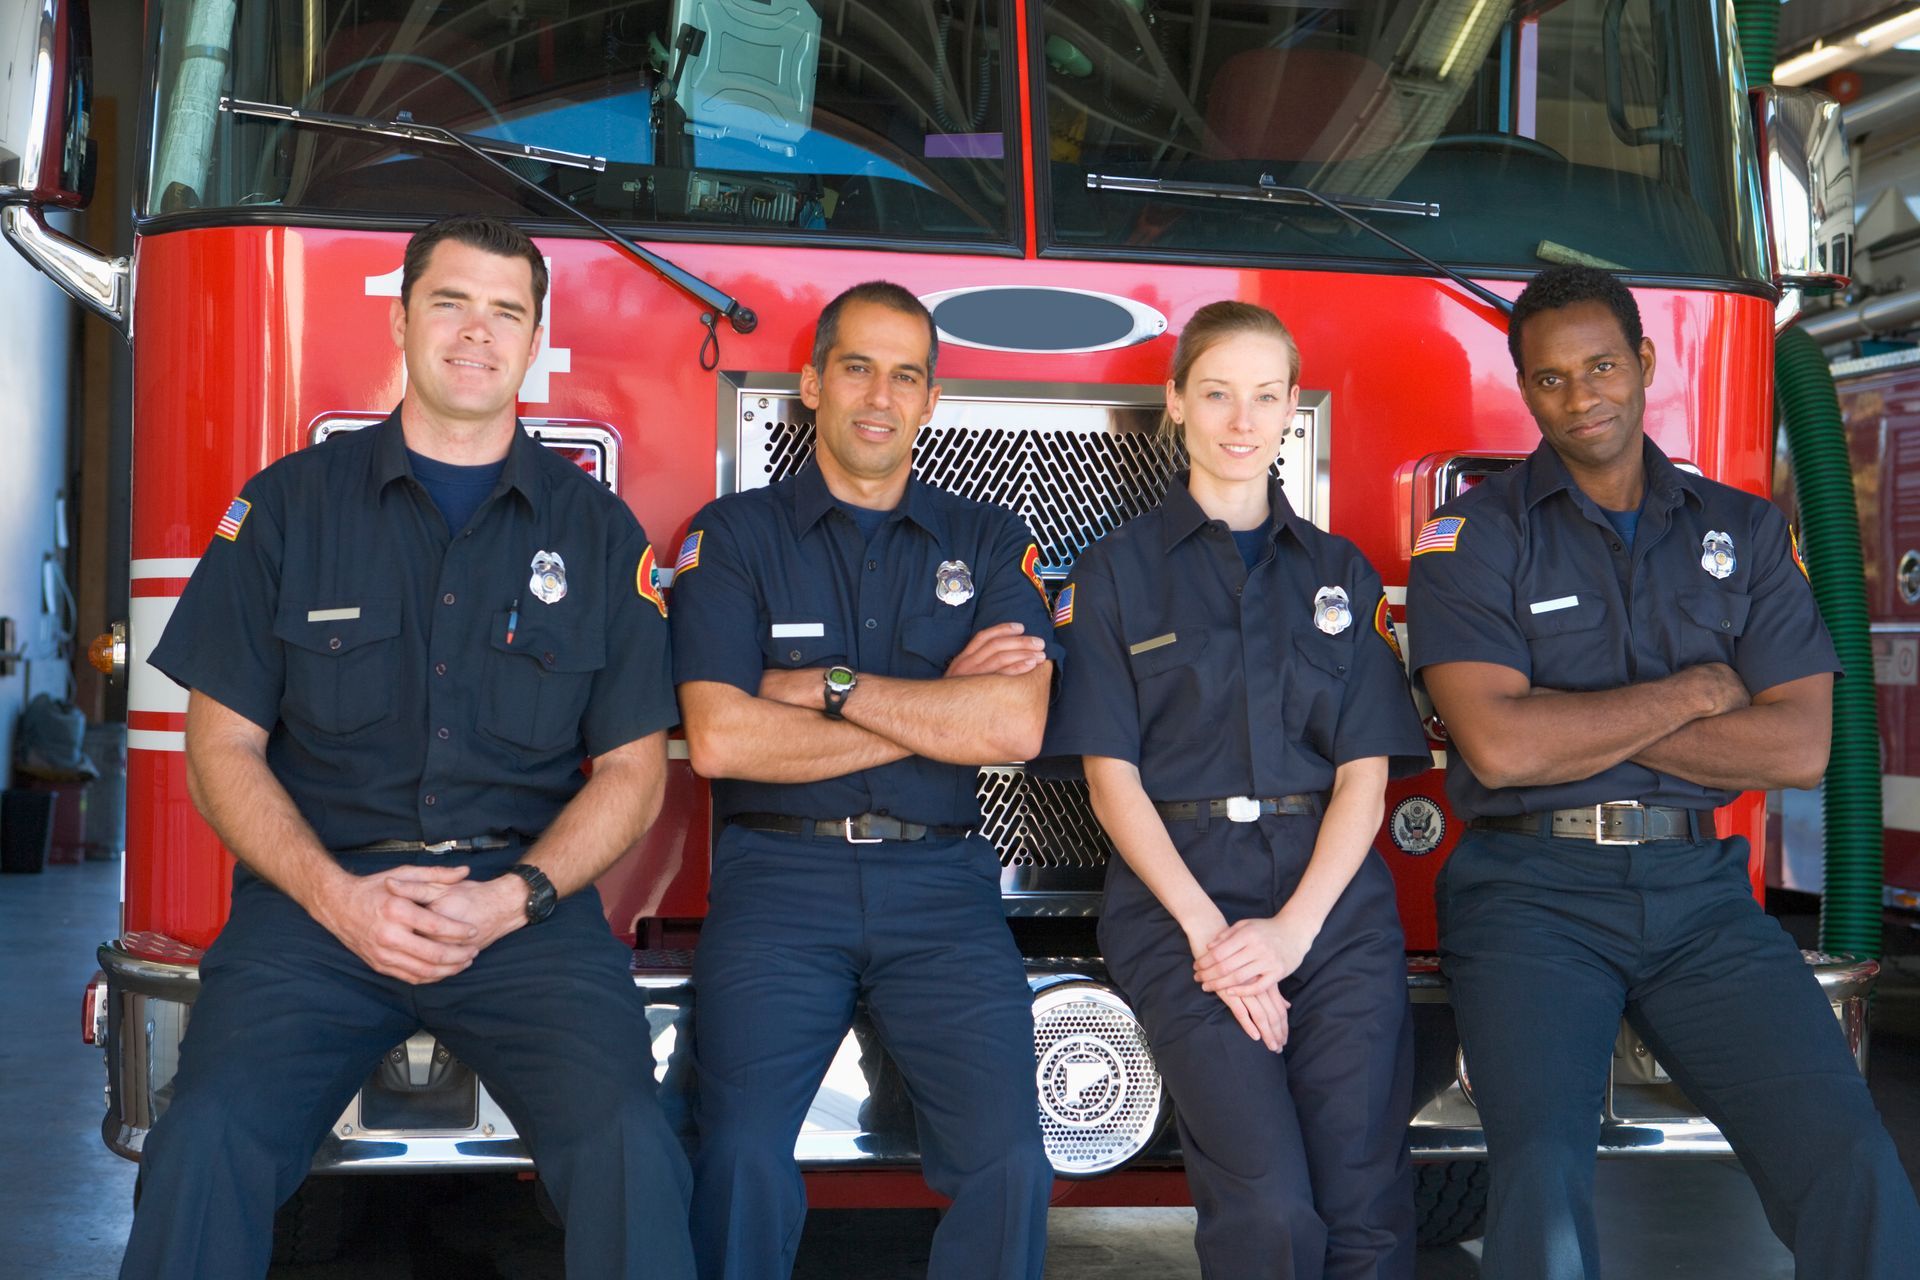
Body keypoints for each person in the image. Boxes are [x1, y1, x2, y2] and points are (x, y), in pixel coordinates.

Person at [120, 214, 695, 1279]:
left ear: (533, 342)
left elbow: (630, 772)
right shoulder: (287, 509)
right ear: (402, 321)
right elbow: (222, 750)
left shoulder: (600, 533)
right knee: (202, 1138)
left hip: (523, 917)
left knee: (633, 1144)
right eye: (451, 302)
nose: (477, 333)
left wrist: (510, 896)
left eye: (505, 312)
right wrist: (340, 897)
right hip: (316, 911)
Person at [1407, 264, 1920, 1280]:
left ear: (1644, 363)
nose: (1580, 395)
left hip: (1698, 896)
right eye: (1549, 378)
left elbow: (1799, 746)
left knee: (1850, 1156)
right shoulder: (1470, 537)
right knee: (1541, 1174)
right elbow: (1500, 749)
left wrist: (1568, 716)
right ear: (1525, 389)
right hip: (1529, 894)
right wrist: (1693, 693)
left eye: (1601, 365)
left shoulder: (1745, 529)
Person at [670, 281, 1057, 1280]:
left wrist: (826, 689)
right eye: (857, 367)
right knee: (741, 1155)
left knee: (1013, 1160)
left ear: (931, 400)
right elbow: (718, 737)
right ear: (810, 384)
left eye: (906, 374)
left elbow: (1013, 723)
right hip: (776, 885)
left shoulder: (986, 537)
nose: (880, 395)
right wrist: (934, 713)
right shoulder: (734, 534)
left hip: (944, 892)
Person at [1041, 301, 1431, 1278]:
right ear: (1175, 403)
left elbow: (1364, 776)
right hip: (1183, 905)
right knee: (1266, 1202)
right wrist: (1215, 936)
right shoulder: (1116, 574)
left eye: (1265, 395)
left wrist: (1293, 932)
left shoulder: (1342, 573)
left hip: (1332, 907)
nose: (1241, 419)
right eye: (1217, 392)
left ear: (1294, 408)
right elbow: (1109, 776)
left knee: (1366, 1200)